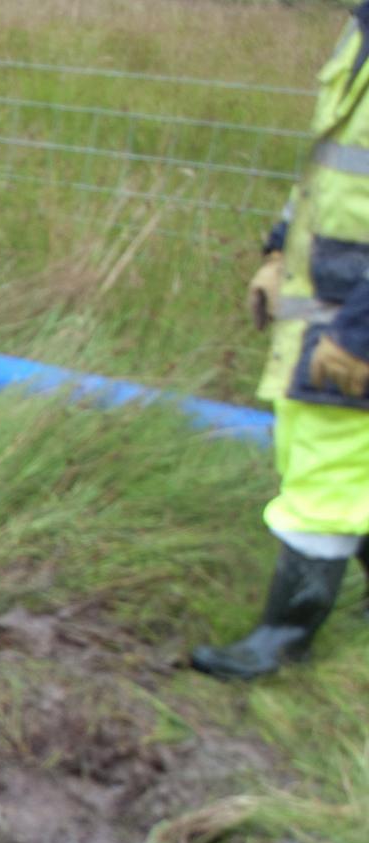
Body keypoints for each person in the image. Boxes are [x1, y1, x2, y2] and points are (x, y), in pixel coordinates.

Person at [193, 4, 369, 680]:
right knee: (320, 447)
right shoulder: (360, 28)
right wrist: (277, 248)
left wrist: (359, 332)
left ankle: (283, 638)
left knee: (325, 467)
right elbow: (330, 164)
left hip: (354, 311)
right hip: (329, 288)